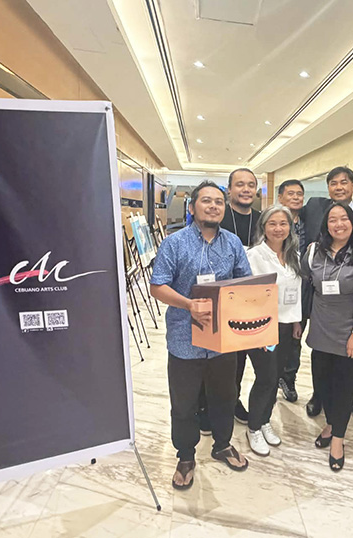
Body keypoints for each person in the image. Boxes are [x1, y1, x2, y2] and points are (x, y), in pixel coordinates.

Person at [149, 180, 250, 491]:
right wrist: (188, 304)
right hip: (184, 339)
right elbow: (157, 286)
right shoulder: (174, 243)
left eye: (219, 202)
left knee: (224, 397)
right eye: (206, 201)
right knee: (184, 403)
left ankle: (222, 444)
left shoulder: (232, 243)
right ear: (192, 207)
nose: (214, 206)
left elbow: (245, 283)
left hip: (222, 340)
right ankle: (185, 455)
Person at [303, 203, 353, 471]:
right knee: (322, 384)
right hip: (321, 328)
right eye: (332, 220)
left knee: (344, 388)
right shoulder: (314, 252)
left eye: (344, 218)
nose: (338, 224)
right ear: (326, 225)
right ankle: (332, 423)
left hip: (350, 330)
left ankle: (338, 439)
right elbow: (303, 283)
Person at [300, 166, 353, 416]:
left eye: (344, 182)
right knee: (320, 353)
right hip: (321, 293)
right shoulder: (315, 207)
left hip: (352, 288)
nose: (339, 187)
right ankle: (318, 394)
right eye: (333, 183)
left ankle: (345, 397)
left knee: (348, 356)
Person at [245, 205, 302, 456]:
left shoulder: (294, 255)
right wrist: (259, 329)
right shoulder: (255, 255)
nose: (278, 228)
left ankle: (265, 419)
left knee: (276, 375)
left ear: (290, 227)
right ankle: (254, 426)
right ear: (264, 228)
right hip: (263, 326)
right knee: (265, 377)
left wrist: (297, 322)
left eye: (283, 223)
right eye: (273, 224)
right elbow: (250, 296)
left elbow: (296, 293)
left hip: (287, 325)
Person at [219, 168, 261, 425]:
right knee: (215, 359)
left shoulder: (262, 219)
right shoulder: (219, 217)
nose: (245, 189)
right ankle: (207, 406)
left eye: (250, 185)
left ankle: (232, 401)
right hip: (222, 297)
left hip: (252, 299)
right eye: (240, 185)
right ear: (229, 189)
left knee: (239, 358)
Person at [276, 180, 306, 402]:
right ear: (280, 198)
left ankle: (289, 378)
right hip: (277, 290)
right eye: (291, 194)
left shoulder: (312, 216)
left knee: (296, 335)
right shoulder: (274, 221)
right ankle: (272, 375)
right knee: (276, 336)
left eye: (299, 194)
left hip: (304, 288)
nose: (296, 197)